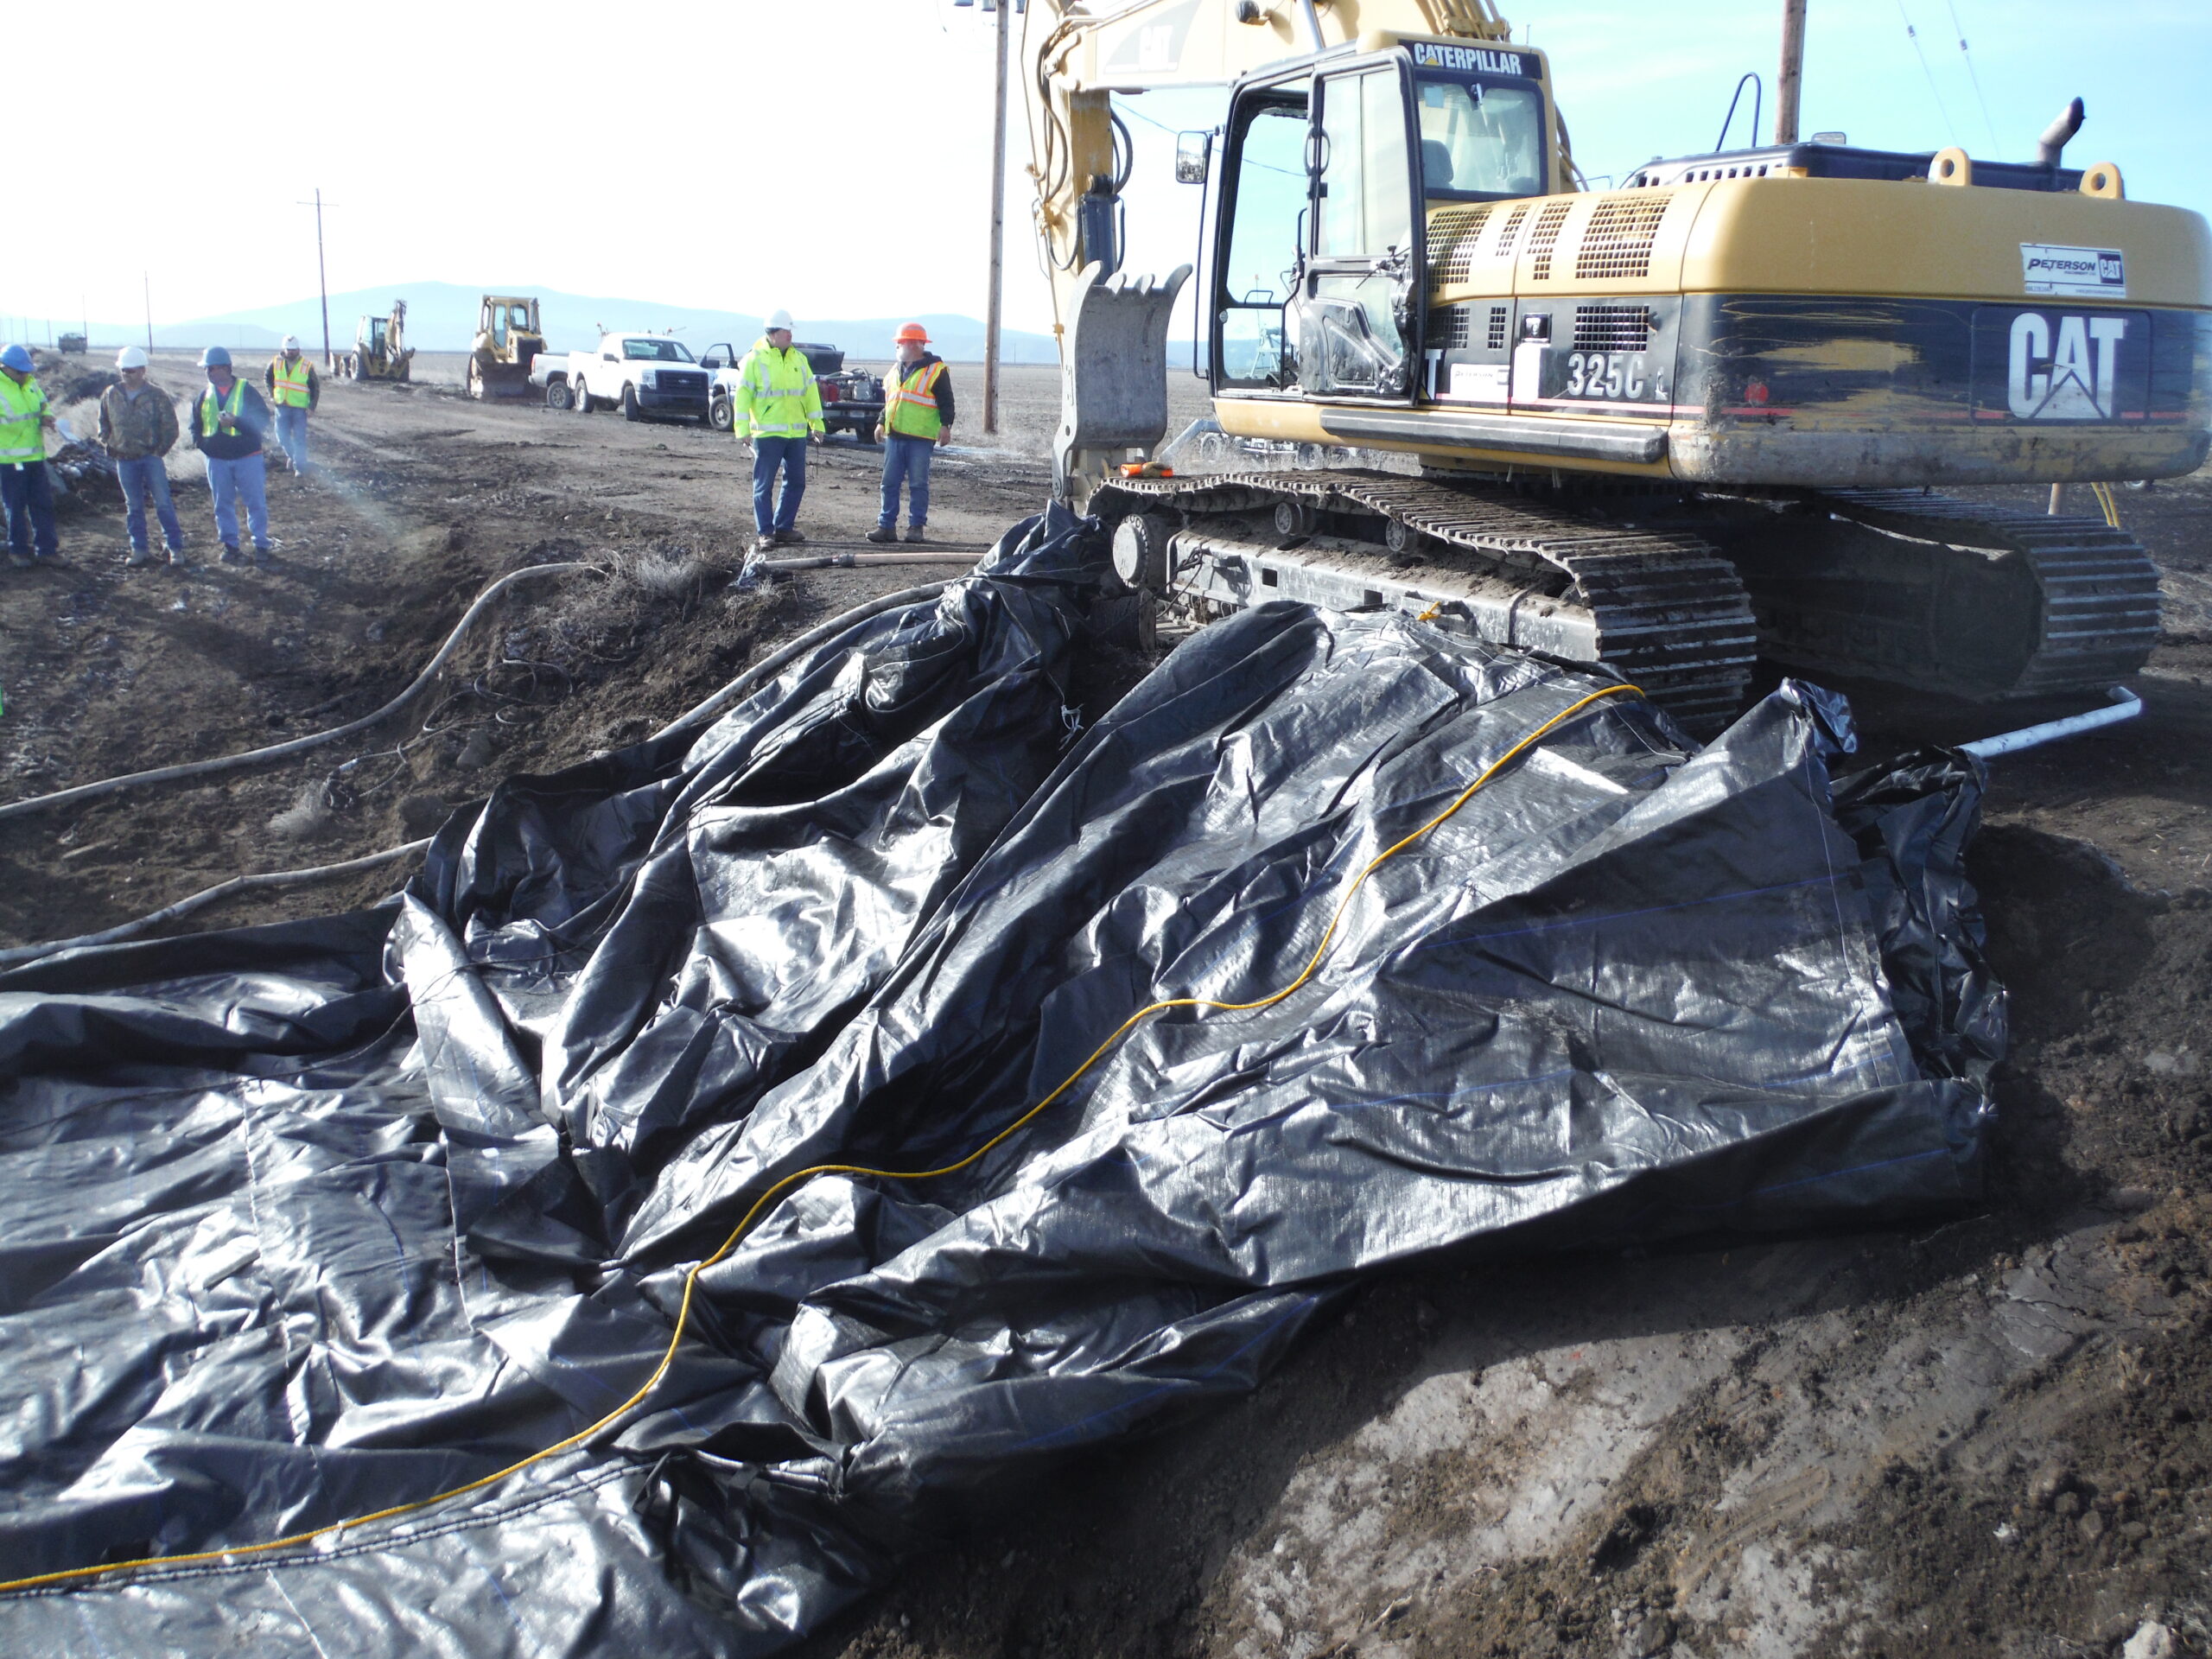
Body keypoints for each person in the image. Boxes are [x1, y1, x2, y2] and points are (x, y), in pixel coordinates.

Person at [732, 308, 824, 554]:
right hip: (767, 434)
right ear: (773, 333)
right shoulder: (754, 359)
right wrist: (742, 428)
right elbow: (742, 397)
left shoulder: (798, 359)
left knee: (796, 482)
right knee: (763, 485)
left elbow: (810, 394)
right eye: (786, 331)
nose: (790, 335)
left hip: (795, 434)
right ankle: (765, 531)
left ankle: (783, 527)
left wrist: (817, 425)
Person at [99, 346, 187, 567]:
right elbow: (103, 422)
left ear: (142, 370)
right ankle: (139, 549)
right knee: (134, 506)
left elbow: (171, 427)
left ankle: (175, 548)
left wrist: (157, 452)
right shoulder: (111, 394)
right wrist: (109, 443)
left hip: (150, 459)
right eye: (124, 370)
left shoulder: (157, 395)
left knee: (163, 504)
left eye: (131, 370)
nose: (127, 374)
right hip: (124, 460)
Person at [868, 323, 956, 545]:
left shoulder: (935, 371)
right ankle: (886, 527)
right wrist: (881, 423)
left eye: (902, 341)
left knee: (918, 484)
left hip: (920, 438)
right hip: (895, 436)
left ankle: (916, 527)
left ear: (916, 344)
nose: (898, 345)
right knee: (889, 483)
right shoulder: (895, 370)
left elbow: (947, 402)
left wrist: (946, 426)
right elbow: (890, 401)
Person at [189, 346, 274, 565]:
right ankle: (230, 545)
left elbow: (262, 421)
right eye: (207, 369)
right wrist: (203, 445)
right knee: (222, 504)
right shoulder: (204, 395)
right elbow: (195, 426)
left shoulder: (246, 390)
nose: (209, 373)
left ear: (227, 368)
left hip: (248, 457)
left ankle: (261, 544)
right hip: (216, 460)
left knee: (255, 502)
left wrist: (236, 422)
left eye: (212, 368)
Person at [0, 342, 60, 569]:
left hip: (35, 456)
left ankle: (47, 550)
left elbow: (43, 404)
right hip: (9, 460)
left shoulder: (30, 383)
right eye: (20, 372)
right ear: (6, 368)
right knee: (15, 506)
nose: (25, 376)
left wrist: (47, 416)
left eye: (26, 372)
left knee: (42, 503)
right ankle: (18, 550)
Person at [263, 334, 320, 476]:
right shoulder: (276, 362)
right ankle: (295, 458)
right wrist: (271, 394)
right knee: (282, 436)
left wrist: (312, 407)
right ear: (284, 349)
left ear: (299, 350)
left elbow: (315, 387)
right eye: (289, 350)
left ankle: (300, 467)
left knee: (299, 438)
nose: (291, 352)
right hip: (282, 406)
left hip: (300, 408)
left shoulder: (307, 366)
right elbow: (267, 378)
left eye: (294, 349)